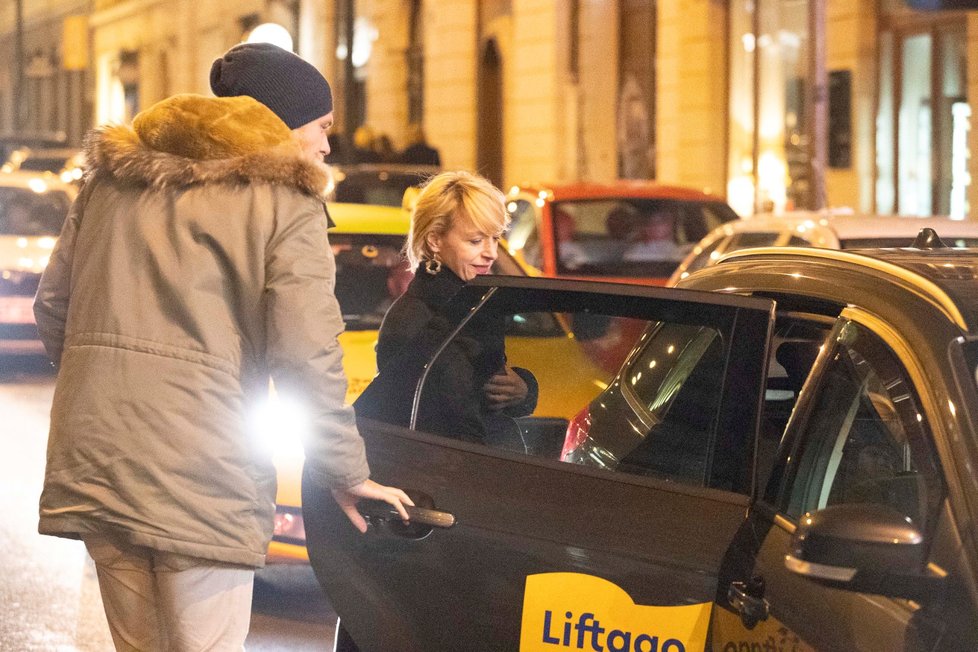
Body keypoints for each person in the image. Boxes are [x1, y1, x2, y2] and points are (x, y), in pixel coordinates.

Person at [33, 41, 411, 651]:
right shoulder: (285, 200)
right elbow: (307, 352)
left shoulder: (113, 181)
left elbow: (54, 306)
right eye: (320, 127)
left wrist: (103, 388)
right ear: (279, 122)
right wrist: (345, 471)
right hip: (202, 471)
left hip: (99, 456)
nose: (325, 145)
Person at [354, 170, 537, 447]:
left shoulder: (474, 304)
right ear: (435, 240)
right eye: (475, 241)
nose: (490, 253)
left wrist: (522, 390)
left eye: (495, 238)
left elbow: (482, 398)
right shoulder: (417, 319)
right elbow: (456, 423)